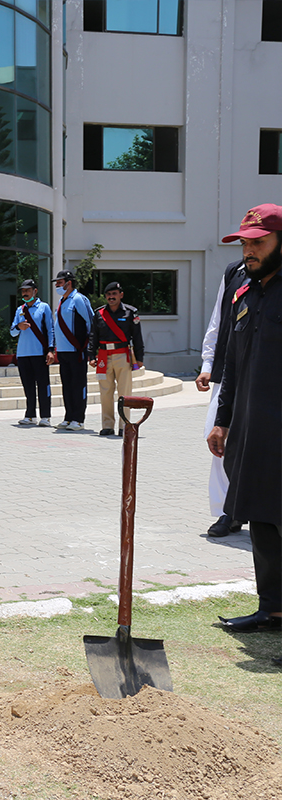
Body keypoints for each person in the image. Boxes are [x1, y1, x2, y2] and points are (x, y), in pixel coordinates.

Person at [207, 204, 282, 636]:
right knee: (262, 520)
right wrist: (223, 420)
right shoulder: (244, 292)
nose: (248, 251)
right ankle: (272, 610)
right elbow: (232, 366)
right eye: (245, 243)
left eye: (258, 242)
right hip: (254, 431)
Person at [197, 259, 248, 538]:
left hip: (267, 375)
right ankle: (227, 511)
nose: (249, 250)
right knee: (218, 439)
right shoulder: (234, 272)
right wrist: (207, 365)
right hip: (228, 371)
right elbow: (218, 320)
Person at [86, 282, 144, 437]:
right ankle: (107, 425)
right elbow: (93, 336)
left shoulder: (131, 313)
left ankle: (124, 425)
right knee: (105, 392)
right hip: (104, 356)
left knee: (124, 392)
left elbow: (137, 336)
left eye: (114, 294)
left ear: (121, 295)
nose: (111, 297)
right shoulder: (99, 314)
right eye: (108, 295)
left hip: (122, 355)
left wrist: (139, 358)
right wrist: (91, 356)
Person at [10, 278, 56, 427]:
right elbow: (12, 332)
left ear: (35, 291)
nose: (25, 293)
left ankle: (45, 416)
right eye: (23, 291)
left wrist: (50, 350)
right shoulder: (19, 310)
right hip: (23, 354)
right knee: (28, 386)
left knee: (43, 385)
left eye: (27, 291)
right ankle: (30, 415)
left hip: (39, 353)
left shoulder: (44, 307)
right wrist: (19, 327)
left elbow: (50, 329)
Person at [52, 270, 93, 431]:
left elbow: (90, 323)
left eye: (59, 282)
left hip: (77, 350)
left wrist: (89, 349)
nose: (57, 285)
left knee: (78, 385)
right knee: (67, 385)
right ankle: (68, 417)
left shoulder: (78, 299)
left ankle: (78, 418)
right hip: (63, 351)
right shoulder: (62, 301)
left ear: (69, 283)